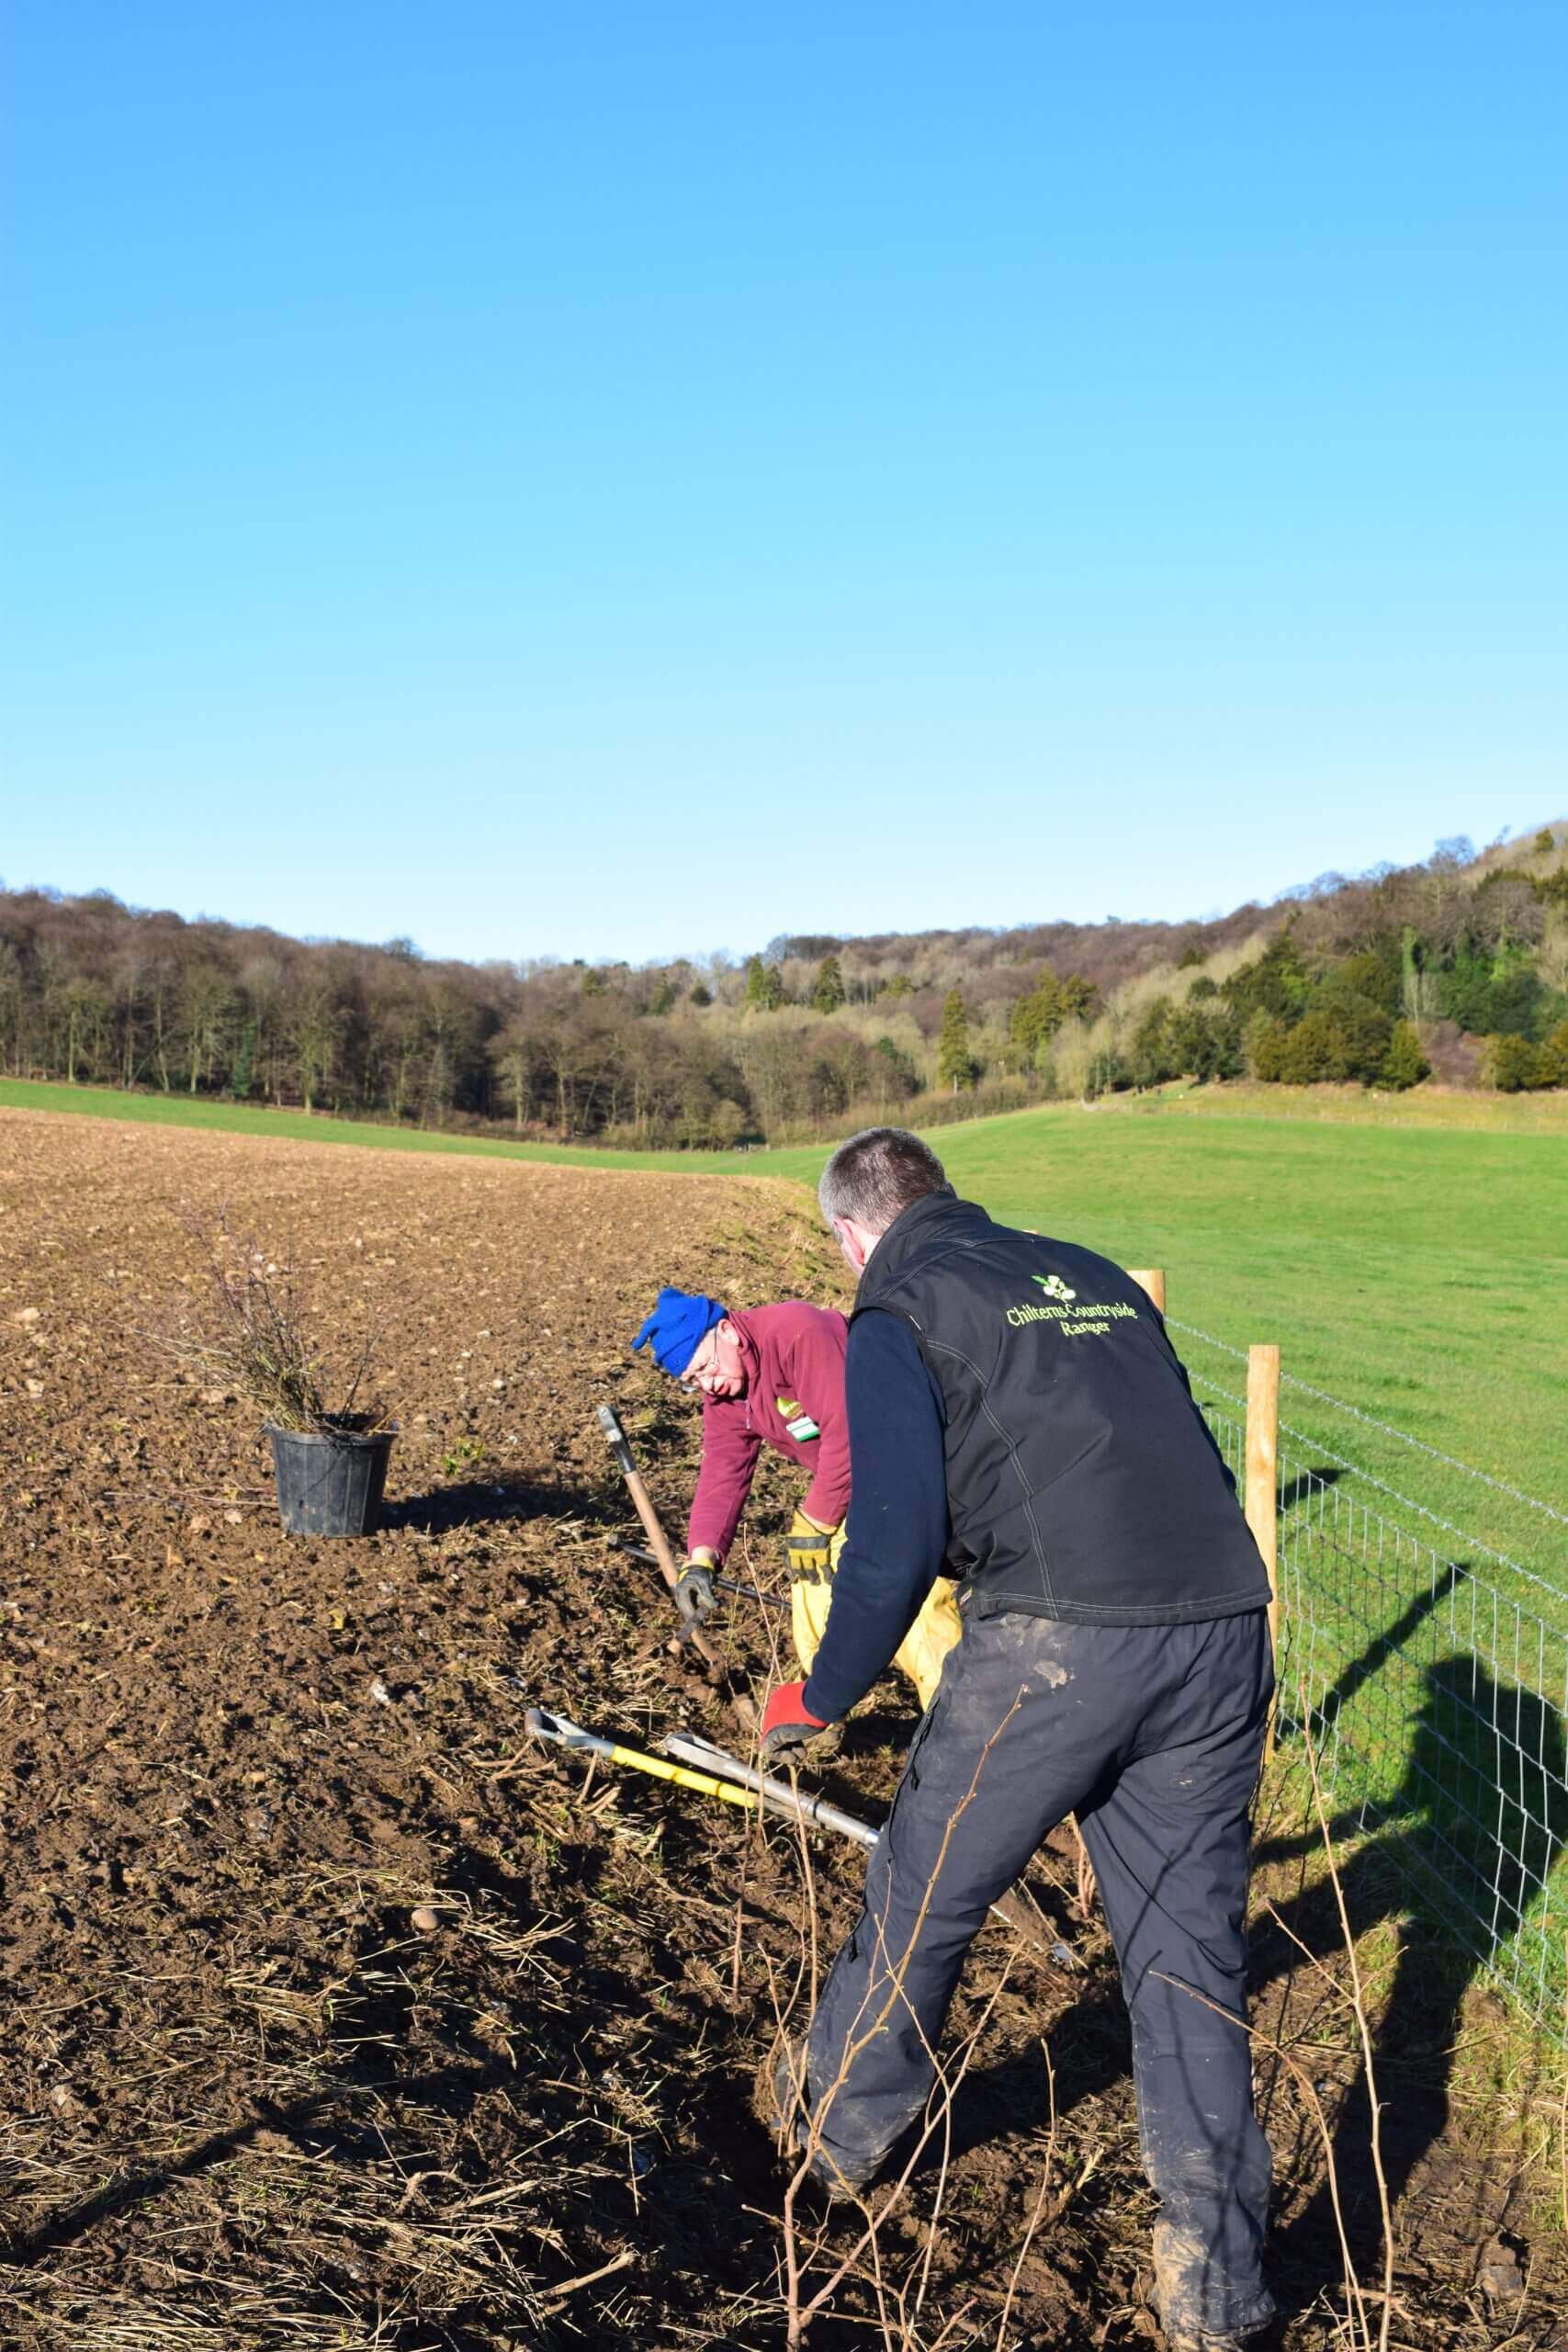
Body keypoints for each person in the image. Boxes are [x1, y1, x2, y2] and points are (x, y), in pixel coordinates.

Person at [757, 1130, 1276, 2352]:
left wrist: (819, 1694)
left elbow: (888, 1544)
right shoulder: (1085, 1272)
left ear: (849, 1233)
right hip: (1218, 1626)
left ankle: (833, 2133)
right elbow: (1167, 1456)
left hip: (1057, 1648)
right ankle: (1217, 2292)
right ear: (941, 1193)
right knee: (1186, 1959)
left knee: (923, 1887)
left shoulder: (898, 1311)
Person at [631, 1284, 960, 1708]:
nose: (708, 1385)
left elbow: (852, 1433)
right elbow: (722, 1473)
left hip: (912, 1465)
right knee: (812, 1579)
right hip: (857, 1483)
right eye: (692, 1381)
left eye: (705, 1368)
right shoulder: (728, 1391)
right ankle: (824, 1706)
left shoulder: (798, 1333)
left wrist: (816, 1520)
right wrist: (701, 1560)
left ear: (727, 1331)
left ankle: (955, 1709)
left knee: (908, 1591)